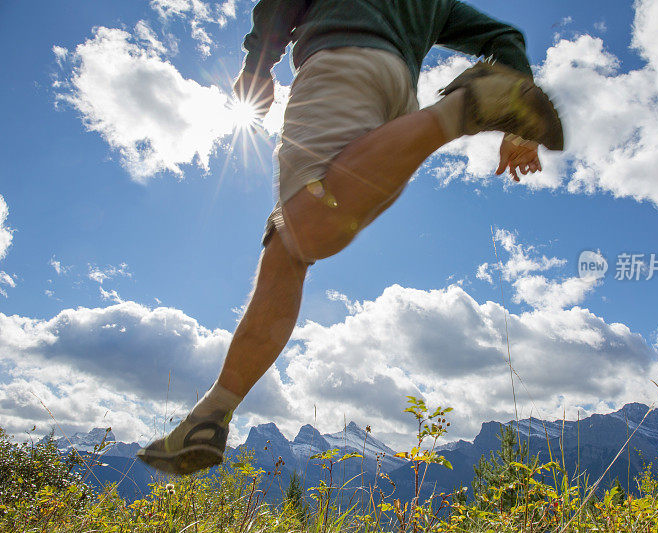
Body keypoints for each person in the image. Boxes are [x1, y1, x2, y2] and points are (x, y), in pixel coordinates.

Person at [137, 0, 563, 475]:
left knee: (305, 234)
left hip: (340, 66)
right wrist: (521, 112)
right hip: (397, 93)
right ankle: (211, 416)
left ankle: (461, 112)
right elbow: (505, 38)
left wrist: (258, 64)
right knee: (287, 248)